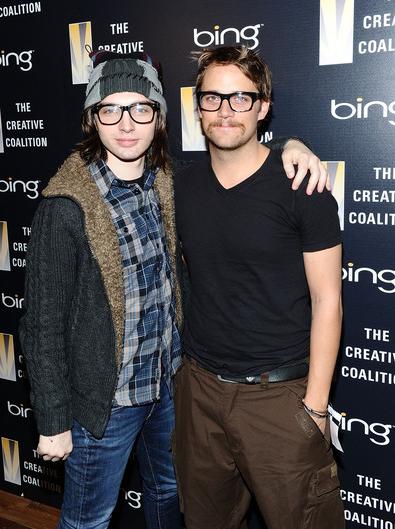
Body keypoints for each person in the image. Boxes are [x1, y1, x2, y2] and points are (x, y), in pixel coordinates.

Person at [19, 49, 330, 529]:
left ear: (159, 118)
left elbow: (246, 161)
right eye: (111, 109)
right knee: (87, 520)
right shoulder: (66, 207)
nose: (126, 124)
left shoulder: (168, 182)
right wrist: (54, 419)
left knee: (168, 498)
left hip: (171, 392)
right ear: (92, 118)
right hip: (109, 402)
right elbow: (41, 322)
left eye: (141, 109)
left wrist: (294, 144)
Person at [173, 45, 344, 529]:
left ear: (263, 106)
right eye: (213, 98)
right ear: (197, 105)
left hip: (279, 398)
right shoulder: (180, 189)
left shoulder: (302, 187)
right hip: (199, 393)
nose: (226, 111)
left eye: (241, 98)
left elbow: (328, 300)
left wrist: (313, 405)